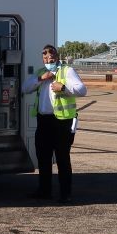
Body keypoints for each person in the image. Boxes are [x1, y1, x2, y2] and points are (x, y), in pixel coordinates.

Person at [22, 44, 87, 203]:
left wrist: (63, 87)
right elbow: (25, 88)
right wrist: (40, 79)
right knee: (43, 157)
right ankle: (44, 190)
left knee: (62, 158)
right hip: (43, 121)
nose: (48, 60)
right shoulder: (41, 73)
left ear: (57, 57)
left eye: (50, 57)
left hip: (62, 121)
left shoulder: (66, 71)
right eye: (45, 58)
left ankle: (66, 193)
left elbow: (82, 90)